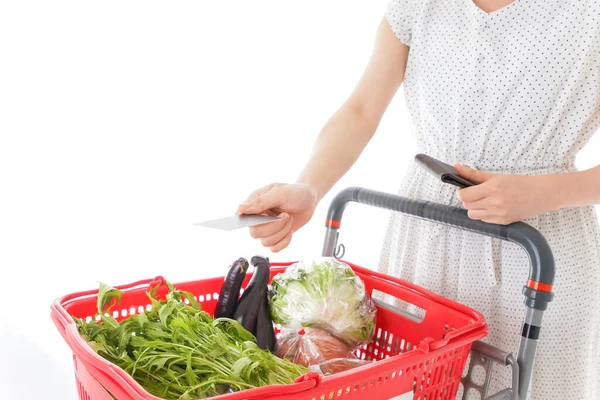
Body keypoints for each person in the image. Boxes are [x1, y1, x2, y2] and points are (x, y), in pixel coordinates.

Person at [237, 0, 600, 398]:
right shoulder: (420, 5)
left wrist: (544, 192)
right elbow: (360, 110)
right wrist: (309, 187)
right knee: (422, 380)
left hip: (538, 239)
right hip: (426, 232)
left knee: (529, 386)